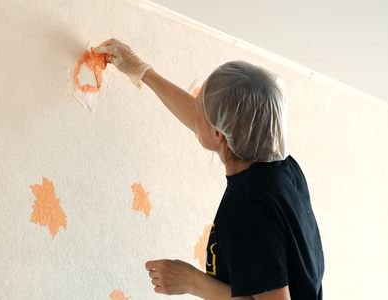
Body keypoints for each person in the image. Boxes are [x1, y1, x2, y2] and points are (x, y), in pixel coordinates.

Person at [94, 39, 324, 300]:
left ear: (218, 132)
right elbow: (204, 120)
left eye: (201, 106)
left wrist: (191, 281)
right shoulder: (284, 169)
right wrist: (143, 71)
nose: (195, 109)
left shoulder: (248, 205)